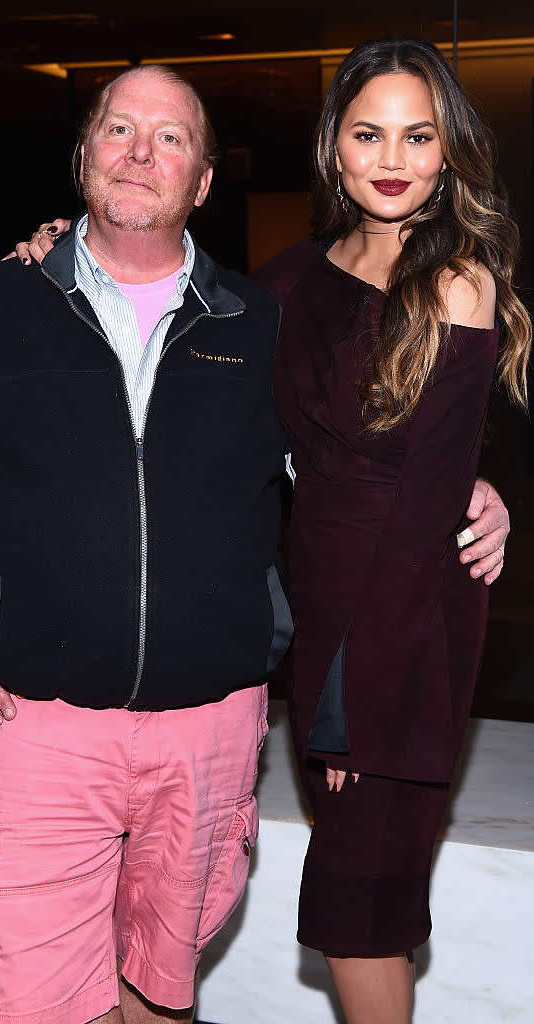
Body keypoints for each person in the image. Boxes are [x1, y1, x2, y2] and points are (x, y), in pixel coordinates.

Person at [0, 59, 510, 1024]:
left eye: (171, 138)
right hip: (40, 730)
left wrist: (472, 486)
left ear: (204, 181)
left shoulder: (258, 317)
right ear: (84, 160)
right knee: (37, 1003)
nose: (140, 153)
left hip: (212, 731)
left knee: (159, 993)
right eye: (119, 130)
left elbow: (348, 454)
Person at [253, 36, 530, 1023]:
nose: (393, 156)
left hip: (401, 628)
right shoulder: (289, 279)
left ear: (446, 152)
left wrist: (351, 706)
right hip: (322, 604)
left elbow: (420, 514)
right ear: (334, 147)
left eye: (418, 135)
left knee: (354, 913)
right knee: (365, 897)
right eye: (369, 132)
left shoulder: (455, 280)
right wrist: (54, 254)